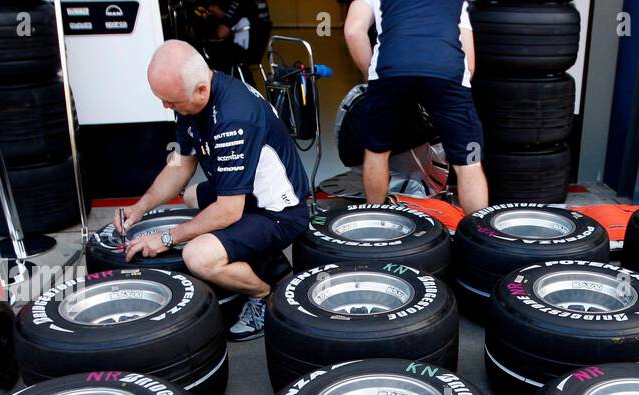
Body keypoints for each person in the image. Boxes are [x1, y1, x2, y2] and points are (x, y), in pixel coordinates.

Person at [119, 40, 310, 340]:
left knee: (198, 256)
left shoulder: (233, 118)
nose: (166, 107)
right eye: (163, 99)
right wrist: (140, 207)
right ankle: (270, 262)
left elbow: (228, 210)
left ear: (202, 91)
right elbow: (180, 166)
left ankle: (266, 296)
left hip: (280, 212)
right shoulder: (192, 98)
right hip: (247, 197)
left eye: (170, 101)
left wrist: (168, 237)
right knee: (192, 194)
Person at [343, 0, 489, 214]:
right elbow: (470, 63)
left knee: (377, 151)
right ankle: (478, 233)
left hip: (391, 69)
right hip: (447, 70)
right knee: (469, 162)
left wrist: (372, 75)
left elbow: (353, 30)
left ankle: (374, 222)